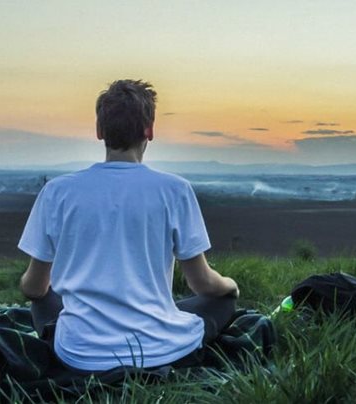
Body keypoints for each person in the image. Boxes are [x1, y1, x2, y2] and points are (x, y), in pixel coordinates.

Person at [17, 79, 239, 373]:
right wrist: (230, 286)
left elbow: (33, 288)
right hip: (161, 350)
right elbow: (202, 284)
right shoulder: (175, 190)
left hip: (79, 355)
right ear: (149, 130)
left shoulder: (57, 192)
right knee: (222, 302)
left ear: (99, 131)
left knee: (44, 298)